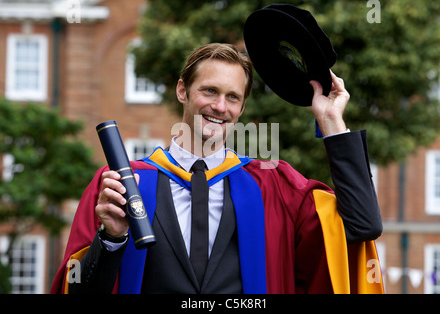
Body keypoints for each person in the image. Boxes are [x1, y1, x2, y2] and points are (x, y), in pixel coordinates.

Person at [51, 43, 383, 294]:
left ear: (241, 107)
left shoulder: (275, 186)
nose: (220, 107)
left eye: (233, 97)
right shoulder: (122, 184)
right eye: (209, 91)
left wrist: (331, 121)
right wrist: (111, 238)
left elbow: (363, 225)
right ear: (183, 90)